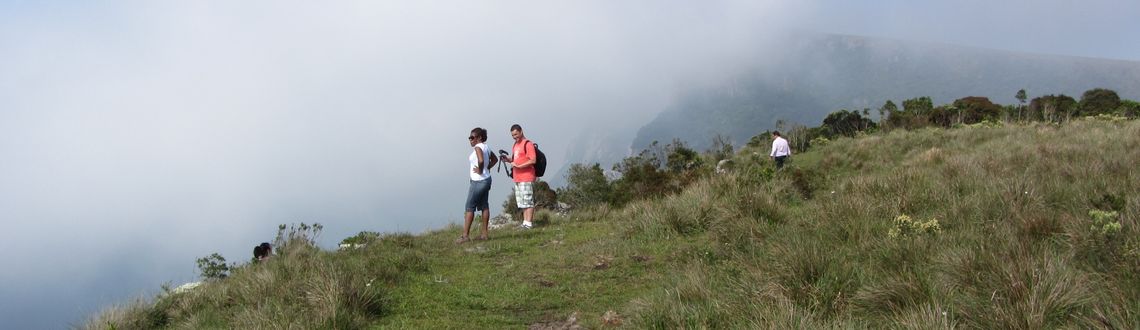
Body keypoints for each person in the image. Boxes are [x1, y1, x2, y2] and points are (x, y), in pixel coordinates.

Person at [458, 127, 494, 244]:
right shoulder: (486, 147)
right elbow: (494, 159)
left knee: (469, 207)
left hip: (478, 181)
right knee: (484, 206)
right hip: (487, 179)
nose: (470, 140)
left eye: (472, 137)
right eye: (469, 138)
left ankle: (465, 236)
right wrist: (486, 170)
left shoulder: (478, 147)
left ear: (479, 138)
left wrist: (480, 169)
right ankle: (484, 234)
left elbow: (481, 160)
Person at [501, 124, 537, 229]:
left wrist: (519, 166)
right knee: (522, 201)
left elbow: (533, 160)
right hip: (517, 177)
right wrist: (508, 160)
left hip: (526, 176)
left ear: (521, 131)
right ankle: (525, 222)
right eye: (513, 135)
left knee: (528, 200)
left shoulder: (528, 144)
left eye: (516, 134)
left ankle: (529, 223)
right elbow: (515, 160)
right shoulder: (515, 145)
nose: (515, 137)